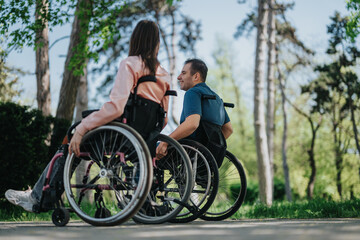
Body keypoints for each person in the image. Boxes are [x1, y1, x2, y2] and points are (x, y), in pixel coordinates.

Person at [5, 20, 171, 212]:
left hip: (119, 135)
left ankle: (38, 196)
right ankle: (39, 193)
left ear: (136, 40)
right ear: (156, 42)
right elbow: (164, 118)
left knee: (71, 138)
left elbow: (116, 108)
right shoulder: (164, 75)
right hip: (143, 137)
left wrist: (83, 127)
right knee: (77, 135)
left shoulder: (130, 64)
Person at [156, 58, 233, 162]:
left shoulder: (193, 92)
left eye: (183, 73)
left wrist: (166, 142)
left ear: (196, 76)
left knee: (147, 148)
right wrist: (209, 147)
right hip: (204, 155)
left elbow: (192, 124)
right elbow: (228, 129)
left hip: (187, 150)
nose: (179, 77)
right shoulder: (217, 99)